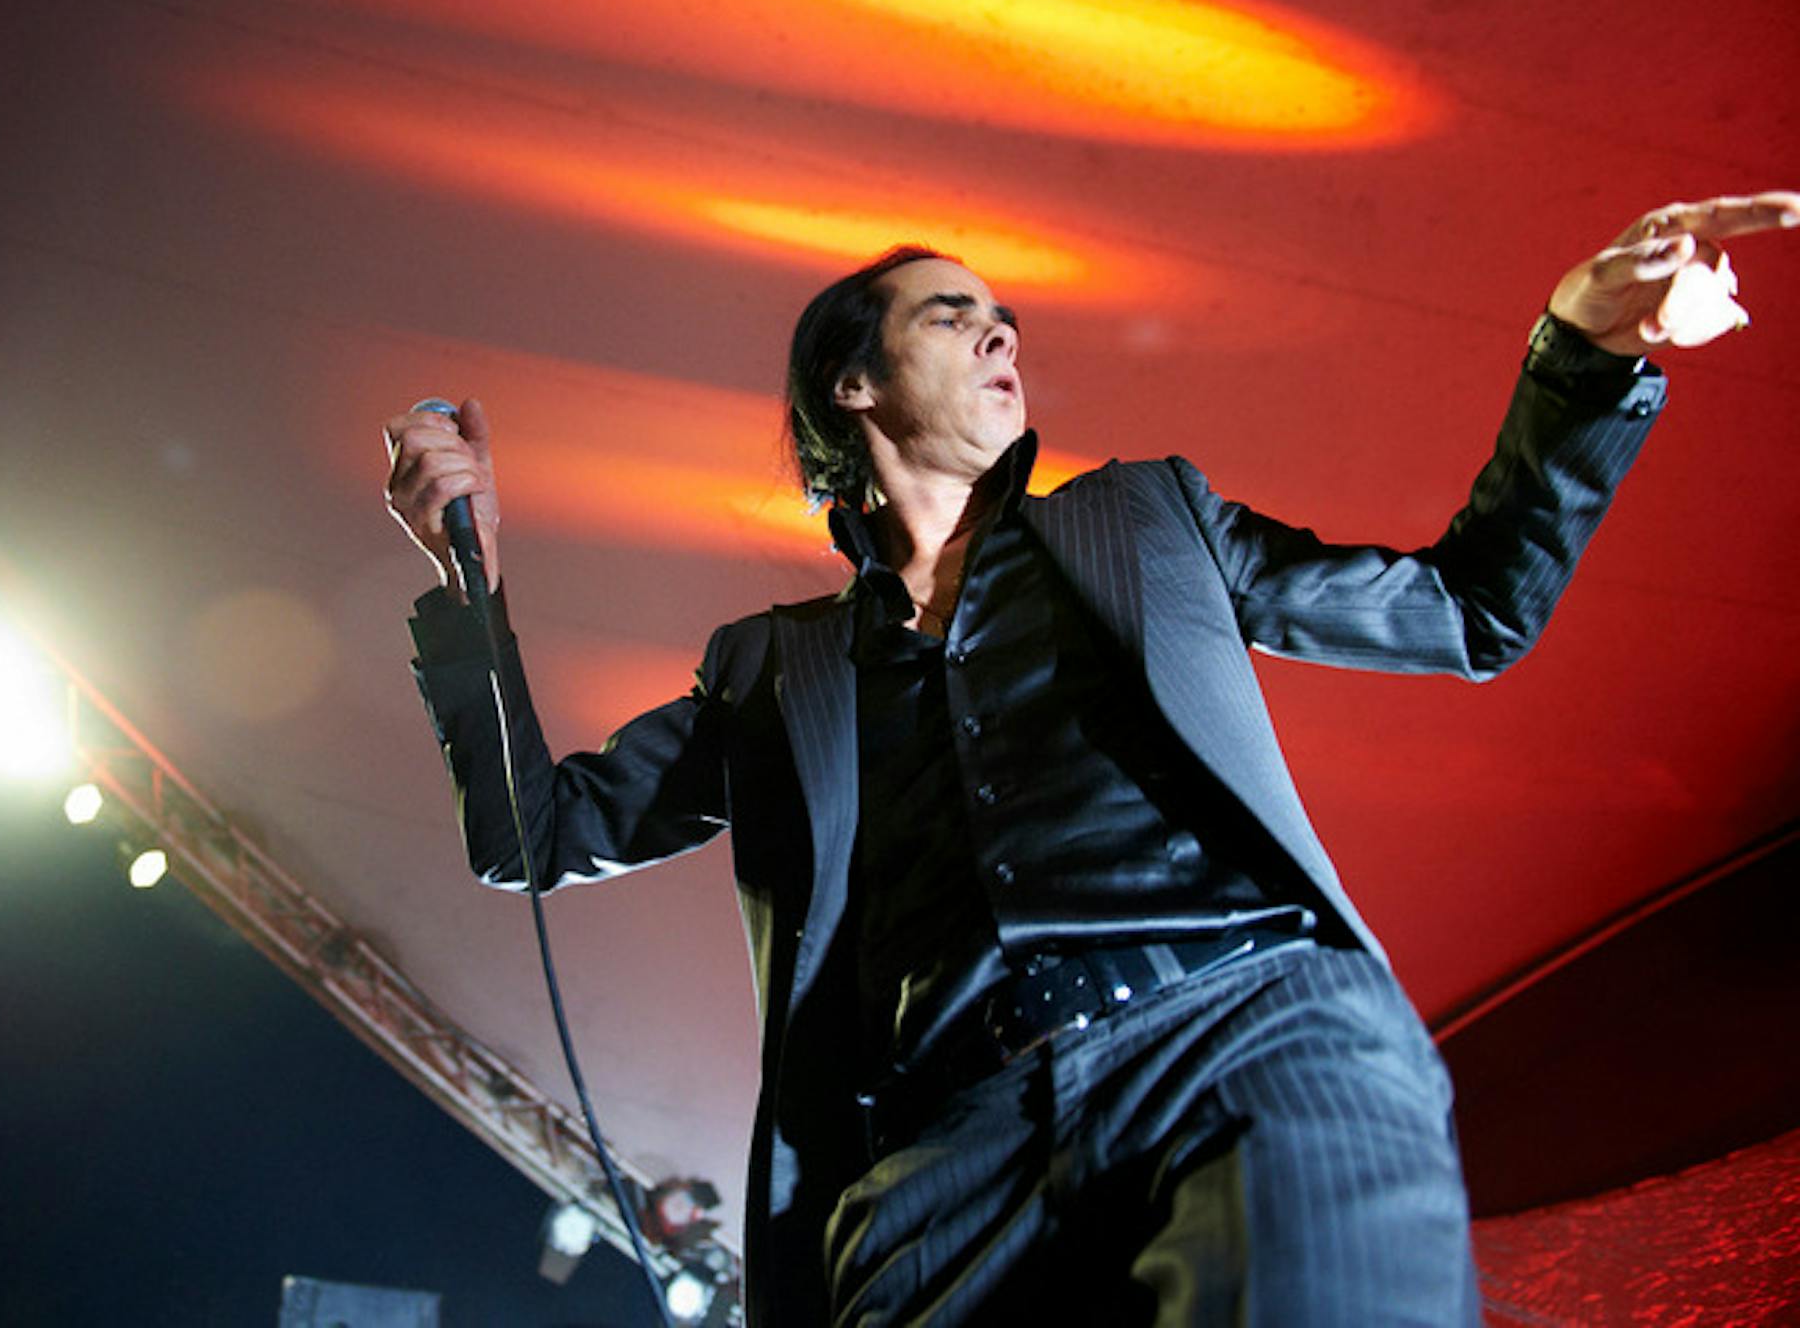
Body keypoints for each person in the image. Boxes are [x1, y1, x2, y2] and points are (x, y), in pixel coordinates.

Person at [382, 192, 1796, 1326]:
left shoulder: (1148, 520)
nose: (1004, 335)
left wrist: (1586, 353)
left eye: (1008, 319)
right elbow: (535, 832)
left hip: (1242, 1042)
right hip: (940, 1167)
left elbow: (1468, 610)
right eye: (956, 315)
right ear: (855, 380)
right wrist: (471, 601)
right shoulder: (769, 666)